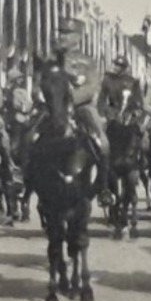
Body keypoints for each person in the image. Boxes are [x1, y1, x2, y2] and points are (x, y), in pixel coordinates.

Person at [38, 17, 110, 184]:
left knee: (102, 142)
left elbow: (91, 86)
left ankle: (104, 184)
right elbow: (39, 83)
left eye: (67, 33)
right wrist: (45, 97)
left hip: (82, 108)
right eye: (61, 32)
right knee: (30, 135)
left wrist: (69, 100)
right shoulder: (49, 60)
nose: (62, 36)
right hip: (52, 108)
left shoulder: (87, 61)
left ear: (78, 37)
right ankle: (23, 177)